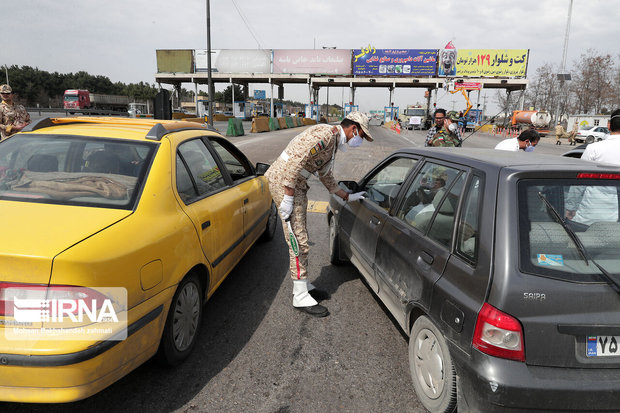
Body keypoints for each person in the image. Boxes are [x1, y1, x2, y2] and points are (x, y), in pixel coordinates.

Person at [265, 111, 372, 317]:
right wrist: (287, 196)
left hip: (295, 185)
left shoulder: (331, 142)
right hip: (286, 183)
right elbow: (295, 162)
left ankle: (303, 284)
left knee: (301, 238)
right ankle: (299, 296)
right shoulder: (324, 136)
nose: (360, 140)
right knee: (299, 240)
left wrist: (348, 196)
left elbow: (325, 176)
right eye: (361, 136)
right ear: (354, 129)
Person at [565, 109, 620, 224]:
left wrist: (570, 207)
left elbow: (580, 182)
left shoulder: (593, 148)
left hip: (593, 214)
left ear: (609, 125)